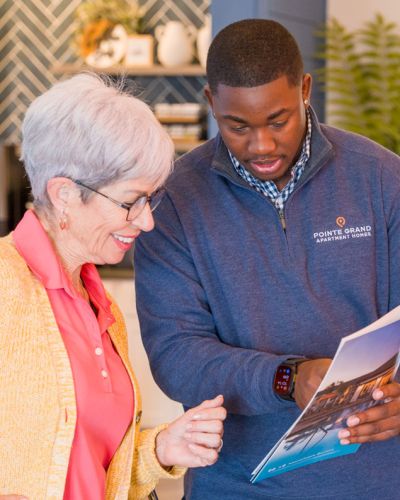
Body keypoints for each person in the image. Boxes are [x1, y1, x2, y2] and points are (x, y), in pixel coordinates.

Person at [134, 18, 400, 500]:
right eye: (237, 126)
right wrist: (287, 378)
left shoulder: (382, 179)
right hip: (235, 485)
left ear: (304, 90)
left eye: (278, 120)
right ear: (212, 102)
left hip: (376, 483)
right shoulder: (172, 204)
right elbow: (176, 356)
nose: (262, 146)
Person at [0, 73, 226, 500]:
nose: (147, 220)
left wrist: (160, 449)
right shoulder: (5, 285)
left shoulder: (100, 307)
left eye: (150, 198)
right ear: (65, 193)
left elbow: (93, 466)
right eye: (130, 202)